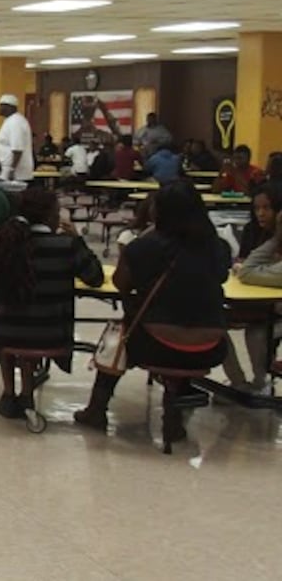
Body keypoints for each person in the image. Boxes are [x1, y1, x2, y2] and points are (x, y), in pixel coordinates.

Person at [73, 182, 231, 442]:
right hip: (211, 347)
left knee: (117, 338)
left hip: (154, 344)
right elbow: (220, 277)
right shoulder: (218, 248)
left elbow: (121, 283)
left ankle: (96, 409)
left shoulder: (144, 246)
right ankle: (174, 418)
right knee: (182, 343)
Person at [0, 188, 104, 418]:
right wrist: (77, 239)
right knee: (33, 319)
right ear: (50, 215)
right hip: (51, 330)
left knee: (16, 318)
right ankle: (27, 393)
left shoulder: (7, 244)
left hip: (5, 329)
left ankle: (9, 394)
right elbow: (95, 277)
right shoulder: (67, 246)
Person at [223, 181, 281, 391]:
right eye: (257, 208)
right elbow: (244, 263)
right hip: (251, 303)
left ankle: (260, 382)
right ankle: (238, 384)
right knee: (214, 326)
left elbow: (247, 270)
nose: (261, 214)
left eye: (267, 208)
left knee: (256, 333)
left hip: (275, 310)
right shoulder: (252, 231)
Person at [0, 93, 34, 183]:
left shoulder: (15, 122)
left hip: (14, 175)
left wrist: (11, 170)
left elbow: (17, 149)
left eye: (1, 106)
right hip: (6, 171)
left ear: (9, 107)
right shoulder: (10, 120)